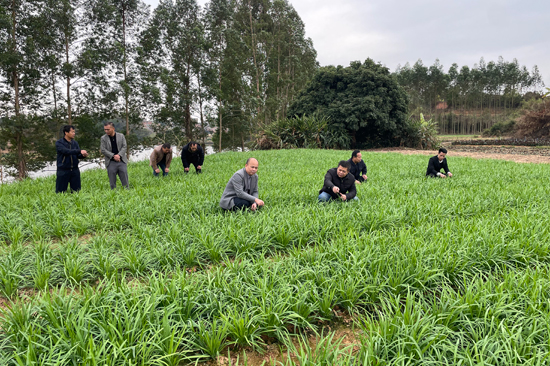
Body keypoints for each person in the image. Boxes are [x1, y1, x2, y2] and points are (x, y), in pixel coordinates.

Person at [55, 125, 88, 193]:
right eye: (72, 132)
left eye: (74, 132)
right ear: (66, 132)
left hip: (74, 170)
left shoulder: (75, 143)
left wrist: (83, 155)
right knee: (60, 192)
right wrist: (79, 151)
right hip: (63, 170)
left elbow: (78, 155)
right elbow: (66, 151)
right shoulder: (59, 143)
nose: (74, 133)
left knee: (76, 191)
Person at [100, 122, 129, 189]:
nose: (106, 131)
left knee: (125, 180)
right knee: (112, 182)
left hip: (121, 161)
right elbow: (103, 150)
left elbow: (124, 146)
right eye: (105, 129)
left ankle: (127, 193)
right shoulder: (103, 138)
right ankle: (113, 195)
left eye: (108, 129)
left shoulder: (121, 136)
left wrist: (119, 155)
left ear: (113, 128)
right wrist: (113, 156)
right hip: (110, 162)